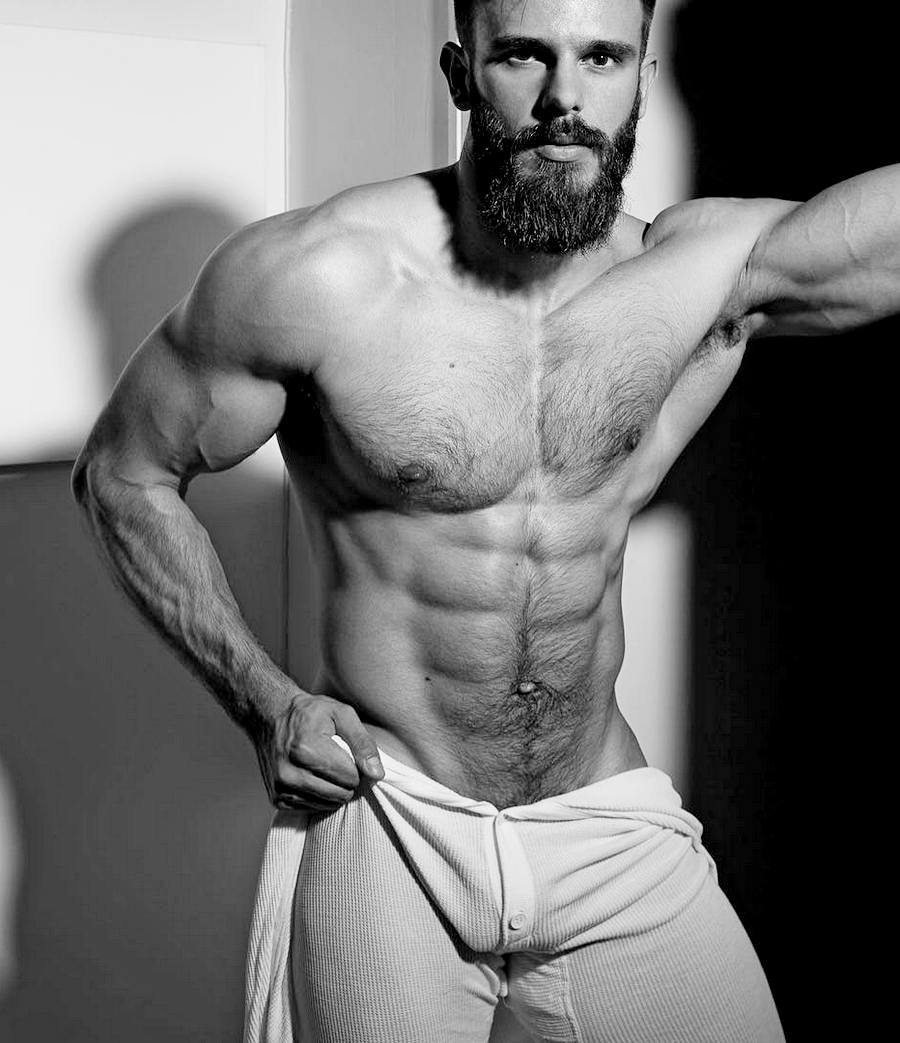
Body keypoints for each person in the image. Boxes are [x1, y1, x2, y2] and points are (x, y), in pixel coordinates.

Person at [71, 0, 898, 1039]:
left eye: (603, 58)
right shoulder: (318, 276)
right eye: (525, 56)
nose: (565, 98)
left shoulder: (698, 273)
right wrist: (263, 700)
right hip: (394, 816)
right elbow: (123, 475)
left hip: (602, 824)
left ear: (646, 76)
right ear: (463, 72)